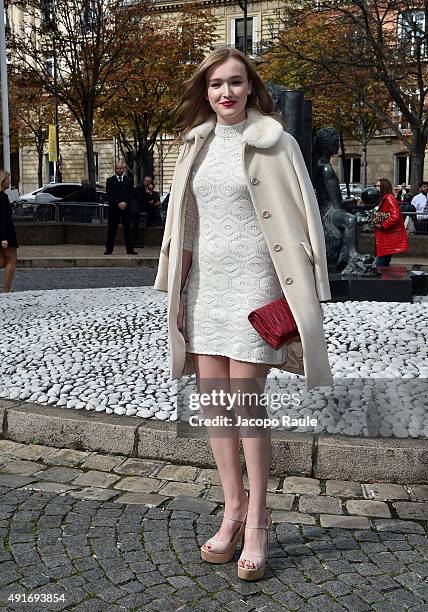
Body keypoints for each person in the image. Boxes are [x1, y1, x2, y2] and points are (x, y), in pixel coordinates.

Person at [154, 48, 332, 581]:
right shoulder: (195, 145)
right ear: (205, 92)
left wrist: (307, 288)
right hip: (205, 285)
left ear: (251, 88)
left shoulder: (277, 142)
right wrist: (175, 293)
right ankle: (231, 508)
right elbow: (183, 224)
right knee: (211, 402)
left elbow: (306, 216)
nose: (225, 93)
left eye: (235, 83)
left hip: (257, 281)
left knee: (244, 401)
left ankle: (257, 519)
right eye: (215, 85)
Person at [104, 160, 137, 255]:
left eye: (121, 168)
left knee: (128, 229)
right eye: (117, 168)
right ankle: (109, 249)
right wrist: (118, 203)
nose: (119, 170)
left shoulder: (129, 180)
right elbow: (109, 194)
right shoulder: (110, 180)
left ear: (123, 169)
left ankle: (130, 249)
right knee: (111, 230)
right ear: (115, 169)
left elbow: (131, 194)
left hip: (126, 209)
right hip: (114, 209)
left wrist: (125, 203)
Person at [374, 178, 408, 267]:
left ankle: (383, 280)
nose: (376, 188)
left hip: (388, 237)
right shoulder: (384, 198)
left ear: (384, 187)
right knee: (382, 263)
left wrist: (382, 225)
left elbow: (395, 216)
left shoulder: (389, 198)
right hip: (385, 237)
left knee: (380, 264)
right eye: (376, 186)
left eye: (378, 186)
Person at [0, 170, 18, 292]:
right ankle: (6, 290)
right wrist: (3, 237)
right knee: (11, 261)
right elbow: (2, 218)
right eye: (7, 179)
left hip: (3, 233)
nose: (9, 181)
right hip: (6, 233)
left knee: (2, 261)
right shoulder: (2, 197)